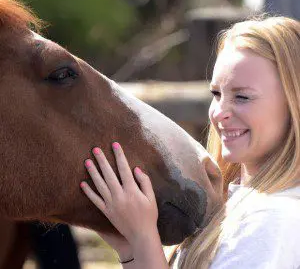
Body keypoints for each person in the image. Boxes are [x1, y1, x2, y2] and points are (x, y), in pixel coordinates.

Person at [80, 15, 300, 269]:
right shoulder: (242, 206)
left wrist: (143, 238)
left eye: (242, 97)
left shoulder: (270, 221)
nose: (219, 113)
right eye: (216, 94)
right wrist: (129, 247)